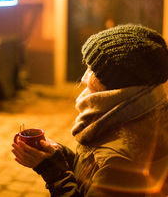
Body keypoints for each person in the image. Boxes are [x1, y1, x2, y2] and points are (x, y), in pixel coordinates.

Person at [12, 23, 168, 196]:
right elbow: (92, 172)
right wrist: (59, 156)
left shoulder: (119, 162)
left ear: (115, 85)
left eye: (94, 68)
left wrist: (52, 172)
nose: (86, 74)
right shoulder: (127, 114)